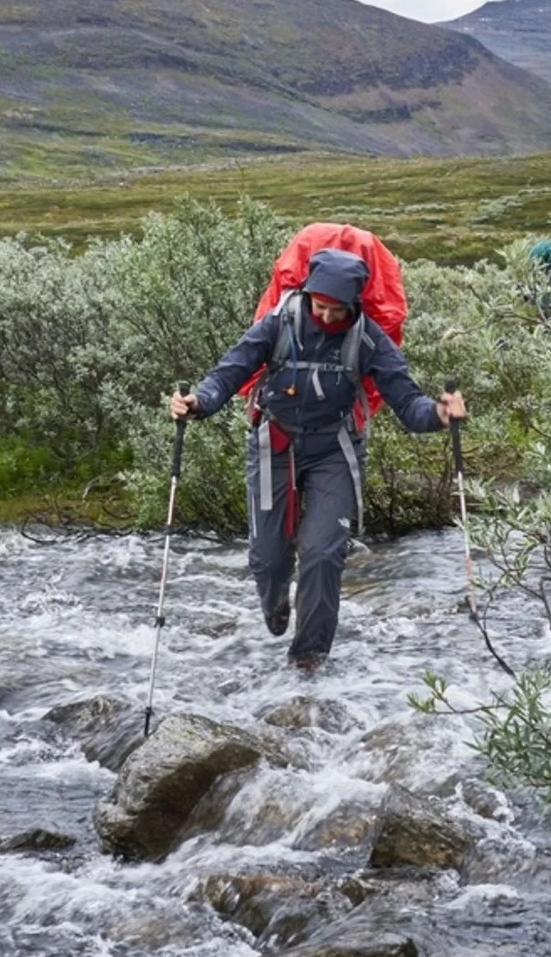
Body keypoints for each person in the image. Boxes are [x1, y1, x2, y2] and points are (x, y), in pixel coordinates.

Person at [170, 247, 466, 668]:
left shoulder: (368, 339)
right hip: (274, 444)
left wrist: (439, 414)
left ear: (354, 304)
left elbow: (408, 403)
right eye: (320, 306)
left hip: (335, 451)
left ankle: (308, 661)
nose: (327, 316)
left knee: (324, 553)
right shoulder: (278, 323)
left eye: (337, 309)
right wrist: (198, 402)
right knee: (268, 559)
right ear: (307, 293)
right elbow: (230, 371)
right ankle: (276, 606)